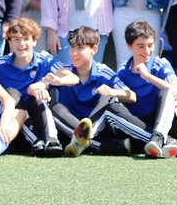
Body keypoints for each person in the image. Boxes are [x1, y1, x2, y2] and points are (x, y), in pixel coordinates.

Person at [0, 18, 75, 156]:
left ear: (34, 41)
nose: (21, 44)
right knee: (11, 93)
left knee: (39, 97)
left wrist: (56, 81)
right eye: (16, 39)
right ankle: (38, 141)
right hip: (13, 122)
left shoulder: (45, 60)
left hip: (40, 116)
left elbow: (73, 78)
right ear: (9, 42)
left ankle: (53, 141)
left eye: (26, 39)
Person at [52, 26, 142, 157]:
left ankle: (87, 141)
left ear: (94, 50)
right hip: (69, 130)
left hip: (98, 128)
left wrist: (113, 92)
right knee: (53, 107)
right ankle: (106, 146)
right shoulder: (63, 71)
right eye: (72, 48)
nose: (74, 53)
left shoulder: (104, 72)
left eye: (80, 48)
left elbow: (132, 96)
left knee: (109, 101)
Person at [117, 20, 177, 158]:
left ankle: (159, 138)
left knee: (169, 91)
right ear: (129, 46)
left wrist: (148, 77)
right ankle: (163, 142)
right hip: (140, 127)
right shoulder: (123, 70)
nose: (147, 51)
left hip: (165, 125)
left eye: (150, 45)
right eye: (141, 46)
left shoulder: (161, 65)